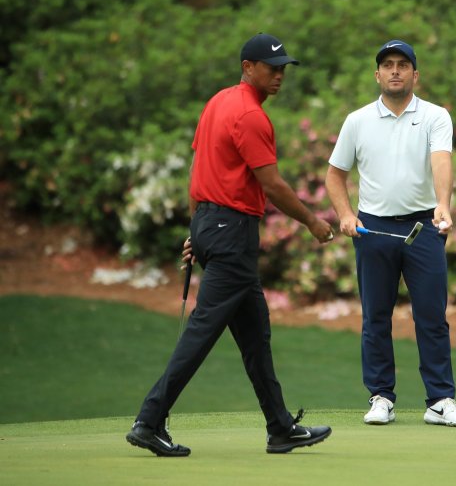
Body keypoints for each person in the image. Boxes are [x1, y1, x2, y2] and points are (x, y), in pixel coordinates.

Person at [126, 33, 335, 456]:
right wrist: (313, 221)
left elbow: (198, 167)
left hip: (210, 222)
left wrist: (196, 230)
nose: (279, 75)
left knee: (255, 334)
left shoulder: (218, 102)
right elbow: (272, 185)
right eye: (271, 67)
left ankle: (280, 427)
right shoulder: (251, 115)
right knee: (202, 331)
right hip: (232, 231)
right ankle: (149, 420)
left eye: (283, 69)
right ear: (247, 67)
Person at [325, 39, 456, 428]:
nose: (395, 71)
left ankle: (440, 399)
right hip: (372, 228)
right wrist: (344, 214)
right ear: (377, 74)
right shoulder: (357, 120)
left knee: (431, 316)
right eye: (388, 65)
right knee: (376, 317)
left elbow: (441, 160)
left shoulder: (435, 116)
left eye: (402, 65)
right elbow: (335, 175)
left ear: (414, 74)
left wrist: (444, 203)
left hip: (424, 225)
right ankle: (381, 397)